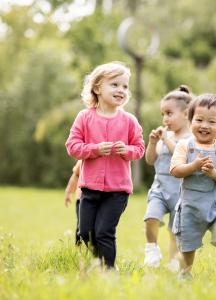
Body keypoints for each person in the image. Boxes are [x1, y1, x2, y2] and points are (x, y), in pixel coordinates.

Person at [65, 61, 145, 269]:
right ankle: (94, 265)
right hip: (89, 188)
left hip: (117, 191)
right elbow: (72, 146)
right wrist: (95, 149)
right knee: (85, 233)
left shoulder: (129, 121)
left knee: (104, 232)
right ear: (97, 88)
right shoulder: (84, 117)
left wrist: (126, 151)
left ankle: (108, 270)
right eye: (115, 85)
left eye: (125, 86)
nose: (121, 90)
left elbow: (139, 149)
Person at [170, 93, 216, 280]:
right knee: (187, 240)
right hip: (190, 206)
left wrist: (213, 173)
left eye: (212, 121)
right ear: (190, 120)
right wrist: (194, 166)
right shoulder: (184, 146)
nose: (204, 125)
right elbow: (175, 170)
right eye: (199, 119)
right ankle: (185, 272)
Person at [143, 85, 192, 271]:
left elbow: (181, 155)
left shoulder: (190, 138)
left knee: (174, 231)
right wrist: (153, 142)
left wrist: (166, 140)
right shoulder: (166, 136)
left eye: (169, 113)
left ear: (186, 114)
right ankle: (151, 248)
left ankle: (173, 262)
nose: (165, 119)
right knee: (151, 218)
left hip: (180, 192)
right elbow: (150, 160)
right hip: (160, 188)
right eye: (163, 114)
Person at [64, 160, 82, 245]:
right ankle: (78, 249)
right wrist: (68, 192)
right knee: (81, 226)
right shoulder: (83, 159)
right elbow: (75, 177)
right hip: (81, 199)